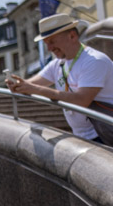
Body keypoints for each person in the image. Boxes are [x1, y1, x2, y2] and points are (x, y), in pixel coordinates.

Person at [6, 13, 113, 144]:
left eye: (52, 41)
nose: (49, 48)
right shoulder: (58, 63)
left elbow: (82, 100)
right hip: (86, 135)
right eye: (46, 43)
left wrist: (37, 90)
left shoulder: (94, 60)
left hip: (105, 133)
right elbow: (29, 84)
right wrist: (16, 84)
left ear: (72, 36)